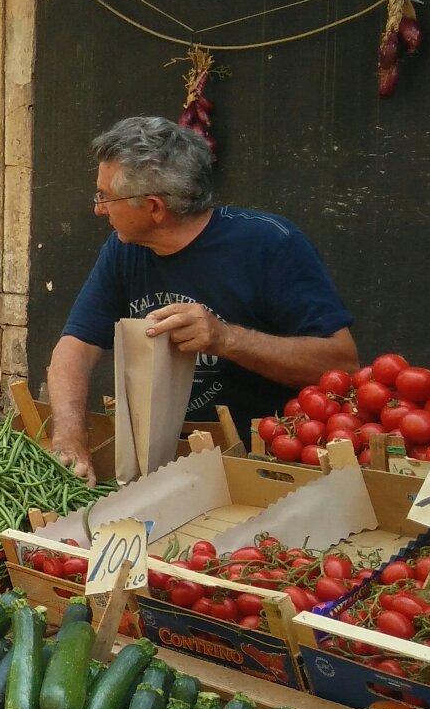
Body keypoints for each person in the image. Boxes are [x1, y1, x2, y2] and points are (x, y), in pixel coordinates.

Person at [46, 117, 359, 483]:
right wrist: (69, 437)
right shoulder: (122, 250)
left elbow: (344, 364)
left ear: (154, 208)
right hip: (158, 464)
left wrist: (226, 339)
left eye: (105, 197)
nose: (98, 208)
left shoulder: (271, 244)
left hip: (266, 464)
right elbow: (75, 347)